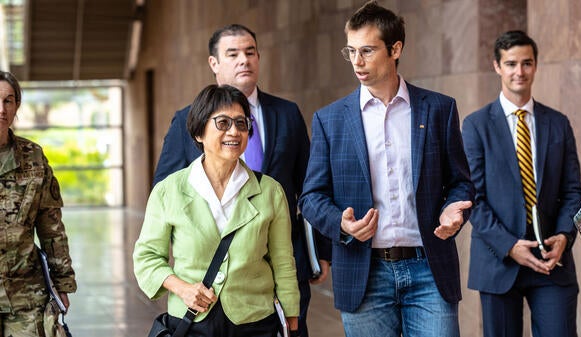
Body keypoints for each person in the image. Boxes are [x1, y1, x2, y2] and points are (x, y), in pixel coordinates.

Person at [298, 2, 474, 337]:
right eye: (350, 51)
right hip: (364, 274)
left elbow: (461, 183)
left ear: (395, 49)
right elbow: (311, 197)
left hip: (429, 270)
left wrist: (456, 209)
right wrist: (341, 223)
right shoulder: (330, 119)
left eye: (366, 50)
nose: (357, 61)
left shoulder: (439, 109)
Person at [152, 23, 330, 337]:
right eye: (232, 54)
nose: (243, 60)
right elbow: (165, 193)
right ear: (214, 64)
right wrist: (179, 277)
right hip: (212, 277)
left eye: (250, 52)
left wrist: (322, 252)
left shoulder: (287, 113)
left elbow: (311, 187)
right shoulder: (187, 118)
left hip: (285, 260)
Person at [134, 84, 300, 337]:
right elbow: (147, 258)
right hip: (191, 322)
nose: (234, 131)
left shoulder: (270, 191)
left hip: (255, 322)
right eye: (222, 123)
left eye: (241, 123)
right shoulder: (169, 191)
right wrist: (182, 288)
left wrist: (291, 317)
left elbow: (282, 261)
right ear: (199, 132)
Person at [462, 30, 581, 337]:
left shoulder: (558, 123)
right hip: (499, 260)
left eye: (527, 63)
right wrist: (509, 246)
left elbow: (573, 190)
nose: (519, 72)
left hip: (551, 263)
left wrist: (564, 236)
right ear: (497, 66)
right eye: (511, 63)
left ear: (535, 65)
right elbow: (472, 197)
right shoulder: (476, 126)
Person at [0, 70, 77, 335]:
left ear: (17, 106)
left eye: (8, 101)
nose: (1, 109)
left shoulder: (33, 157)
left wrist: (62, 284)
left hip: (26, 297)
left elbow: (51, 227)